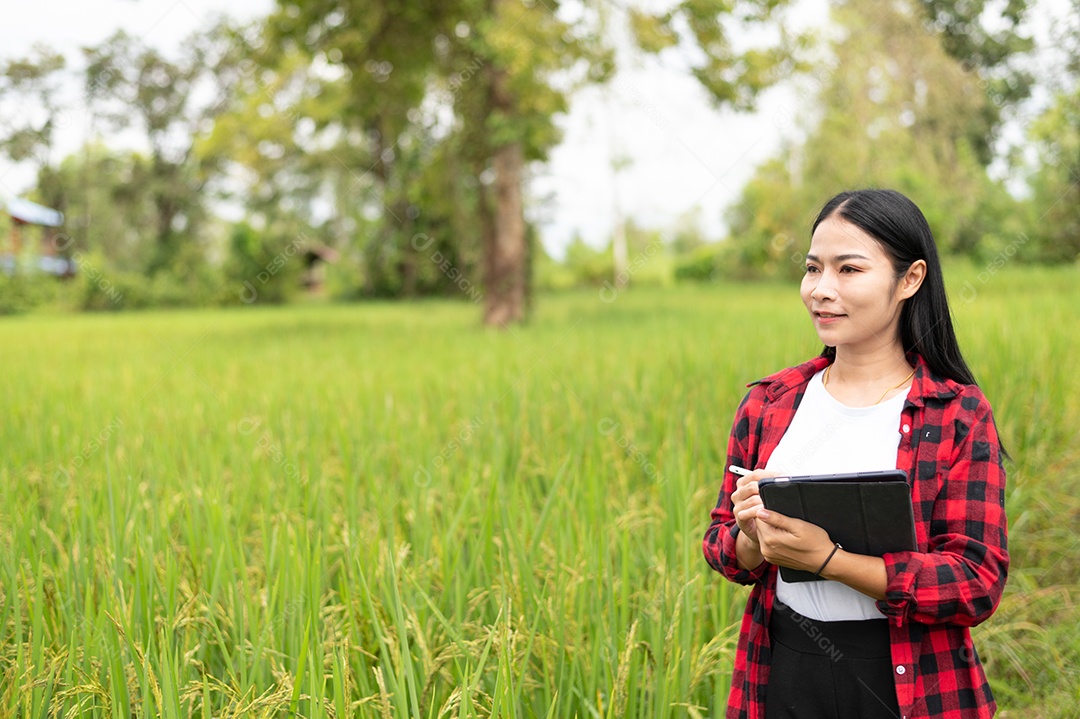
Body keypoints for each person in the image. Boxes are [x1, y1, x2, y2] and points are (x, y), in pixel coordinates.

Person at [702, 189, 1009, 719]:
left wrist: (829, 561)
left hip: (908, 676)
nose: (822, 290)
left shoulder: (957, 414)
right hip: (787, 666)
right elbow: (721, 547)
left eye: (849, 270)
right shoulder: (769, 403)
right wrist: (751, 536)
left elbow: (974, 581)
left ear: (910, 279)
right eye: (812, 268)